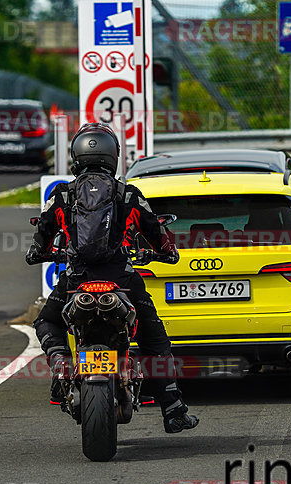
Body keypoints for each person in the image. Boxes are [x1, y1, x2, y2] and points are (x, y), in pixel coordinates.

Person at [26, 123, 199, 434]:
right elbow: (159, 236)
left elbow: (40, 238)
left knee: (46, 322)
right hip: (122, 280)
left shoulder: (62, 195)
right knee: (154, 337)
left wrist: (38, 253)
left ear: (75, 156)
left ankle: (61, 365)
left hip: (76, 280)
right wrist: (166, 253)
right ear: (114, 156)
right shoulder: (127, 194)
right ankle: (173, 410)